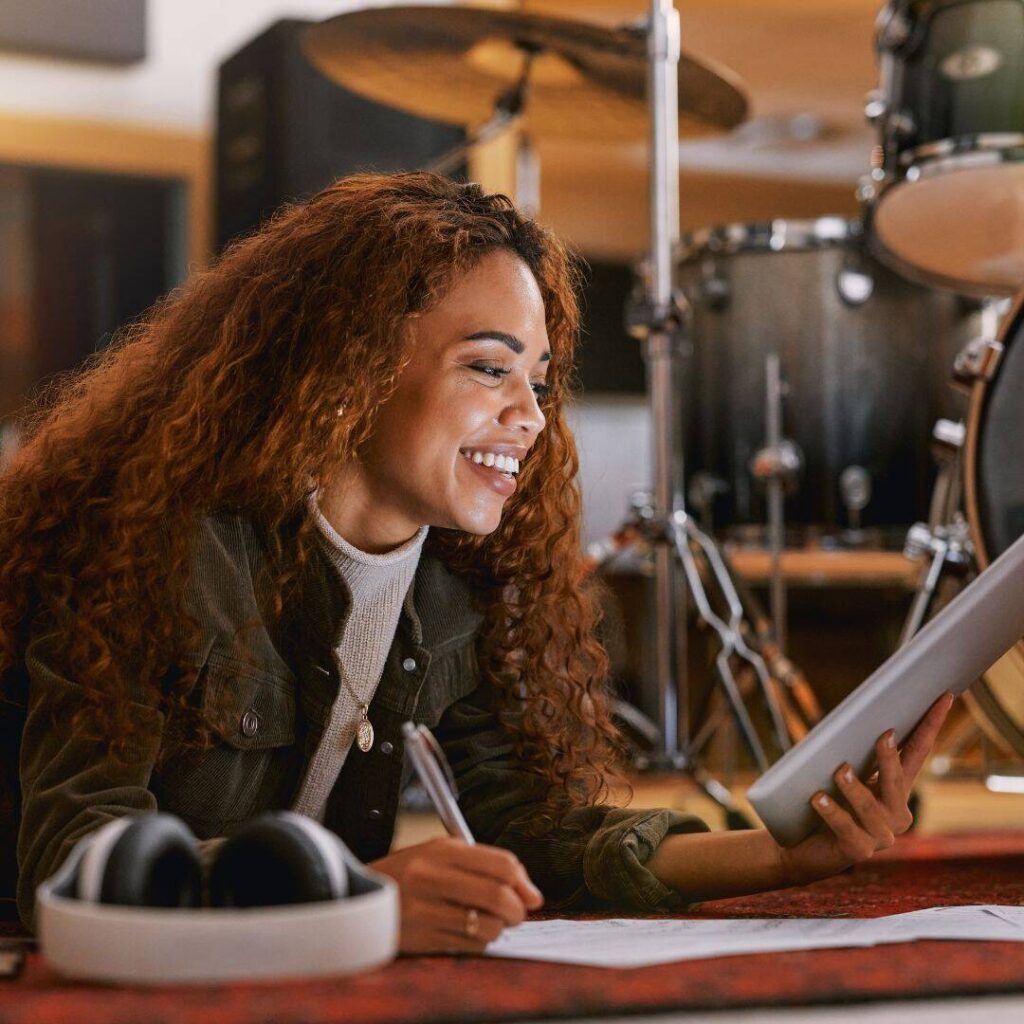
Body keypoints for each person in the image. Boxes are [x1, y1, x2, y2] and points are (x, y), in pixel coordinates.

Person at [0, 172, 951, 950]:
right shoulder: (160, 541)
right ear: (350, 371)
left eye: (538, 380)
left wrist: (781, 857)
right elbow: (73, 866)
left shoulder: (459, 577)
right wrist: (357, 895)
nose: (532, 416)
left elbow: (528, 837)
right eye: (489, 369)